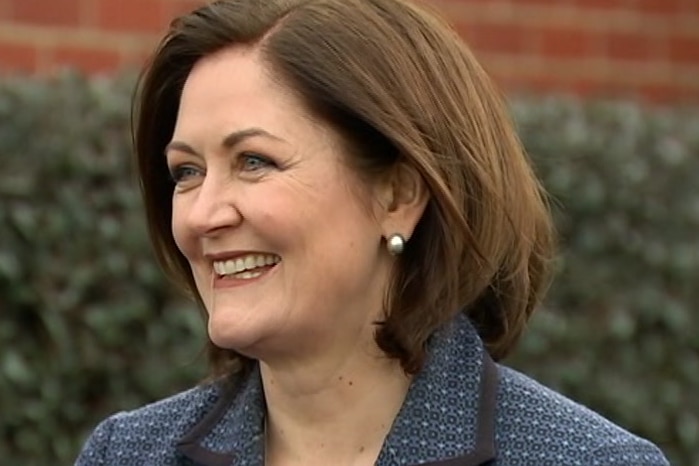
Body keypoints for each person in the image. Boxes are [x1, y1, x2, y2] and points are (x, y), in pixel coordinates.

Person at [76, 0, 669, 464]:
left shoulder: (582, 459)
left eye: (253, 161)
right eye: (187, 172)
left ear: (399, 195)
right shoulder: (128, 454)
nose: (204, 214)